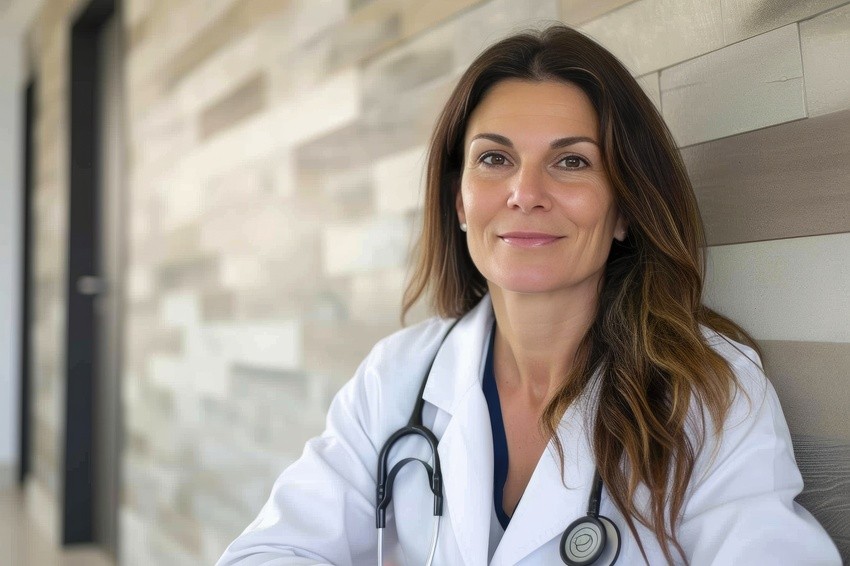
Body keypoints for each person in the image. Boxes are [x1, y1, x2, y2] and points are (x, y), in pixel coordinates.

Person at [216, 25, 840, 565]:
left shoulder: (707, 388)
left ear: (624, 208)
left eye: (571, 163)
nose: (525, 192)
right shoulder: (396, 377)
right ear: (458, 201)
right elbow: (268, 552)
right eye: (494, 159)